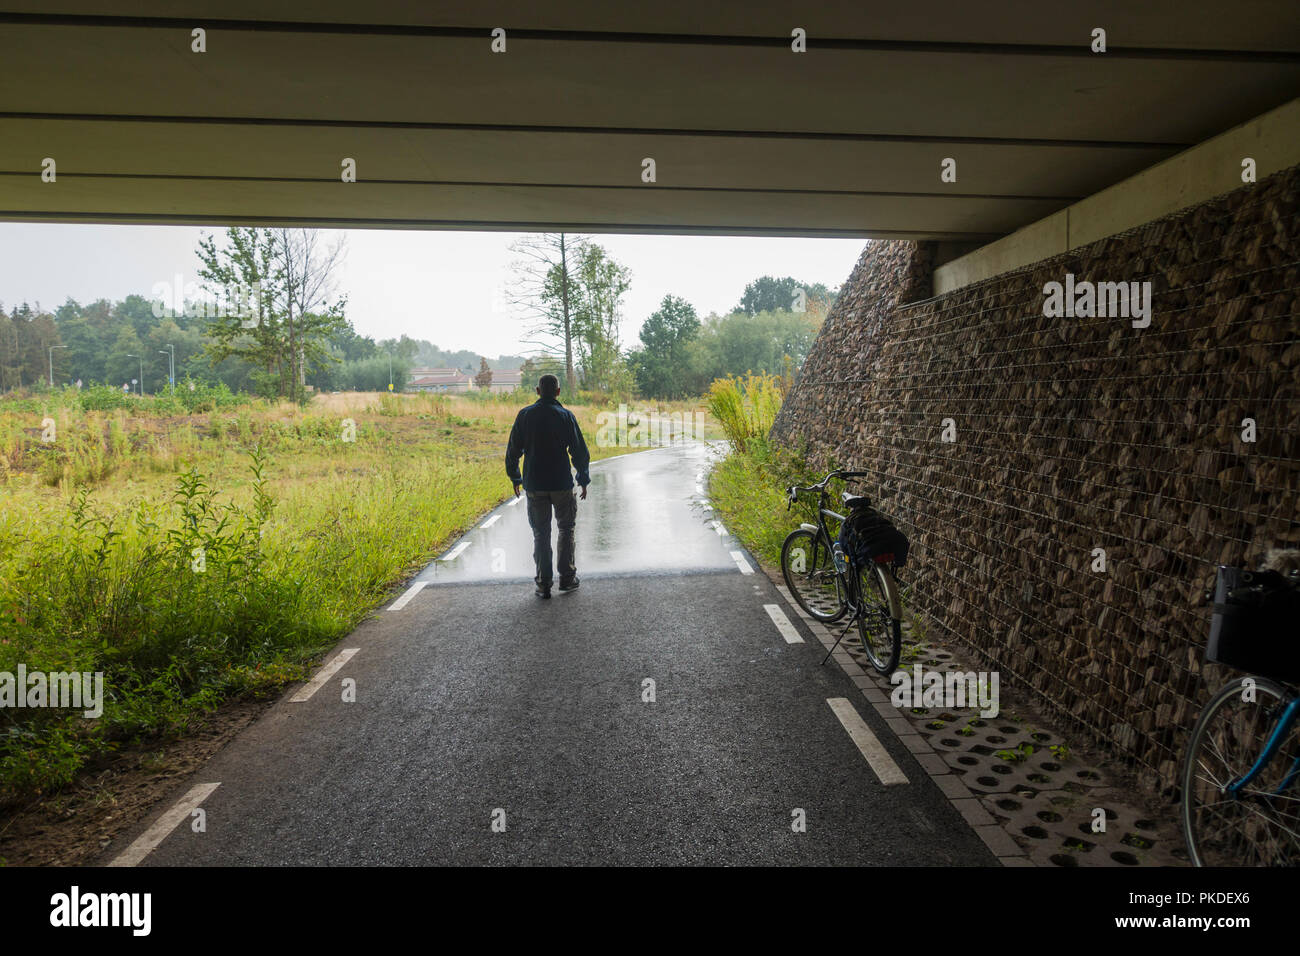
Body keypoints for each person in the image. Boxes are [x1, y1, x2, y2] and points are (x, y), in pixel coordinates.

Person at [505, 374, 591, 598]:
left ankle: (543, 584)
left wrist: (516, 478)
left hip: (534, 484)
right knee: (566, 529)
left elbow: (513, 450)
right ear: (558, 392)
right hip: (561, 483)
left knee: (540, 534)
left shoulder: (524, 416)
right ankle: (567, 579)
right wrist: (582, 479)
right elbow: (579, 451)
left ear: (537, 391)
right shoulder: (565, 416)